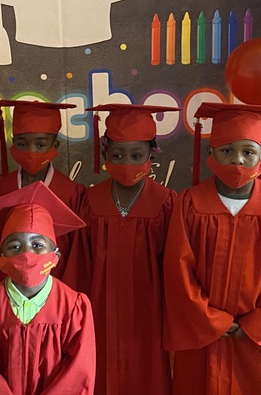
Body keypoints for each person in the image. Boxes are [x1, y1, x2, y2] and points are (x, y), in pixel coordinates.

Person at [163, 103, 261, 395]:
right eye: (227, 150)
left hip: (254, 335)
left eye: (248, 152)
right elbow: (178, 268)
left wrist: (254, 324)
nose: (237, 160)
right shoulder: (190, 202)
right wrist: (210, 320)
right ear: (210, 153)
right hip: (203, 331)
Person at [65, 104, 179, 395]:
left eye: (136, 156)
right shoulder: (90, 200)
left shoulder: (166, 202)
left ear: (151, 154)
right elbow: (80, 262)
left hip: (150, 307)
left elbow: (176, 264)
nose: (127, 163)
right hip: (99, 306)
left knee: (148, 369)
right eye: (117, 155)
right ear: (105, 154)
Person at [0, 182, 96, 395]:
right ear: (1, 256)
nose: (26, 254)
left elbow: (79, 371)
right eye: (14, 246)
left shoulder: (74, 307)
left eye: (38, 245)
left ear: (55, 255)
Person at [0, 99, 85, 278]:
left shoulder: (70, 192)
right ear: (13, 143)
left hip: (56, 280)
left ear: (55, 146)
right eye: (22, 144)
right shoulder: (1, 186)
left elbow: (76, 252)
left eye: (41, 145)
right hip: (8, 280)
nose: (31, 152)